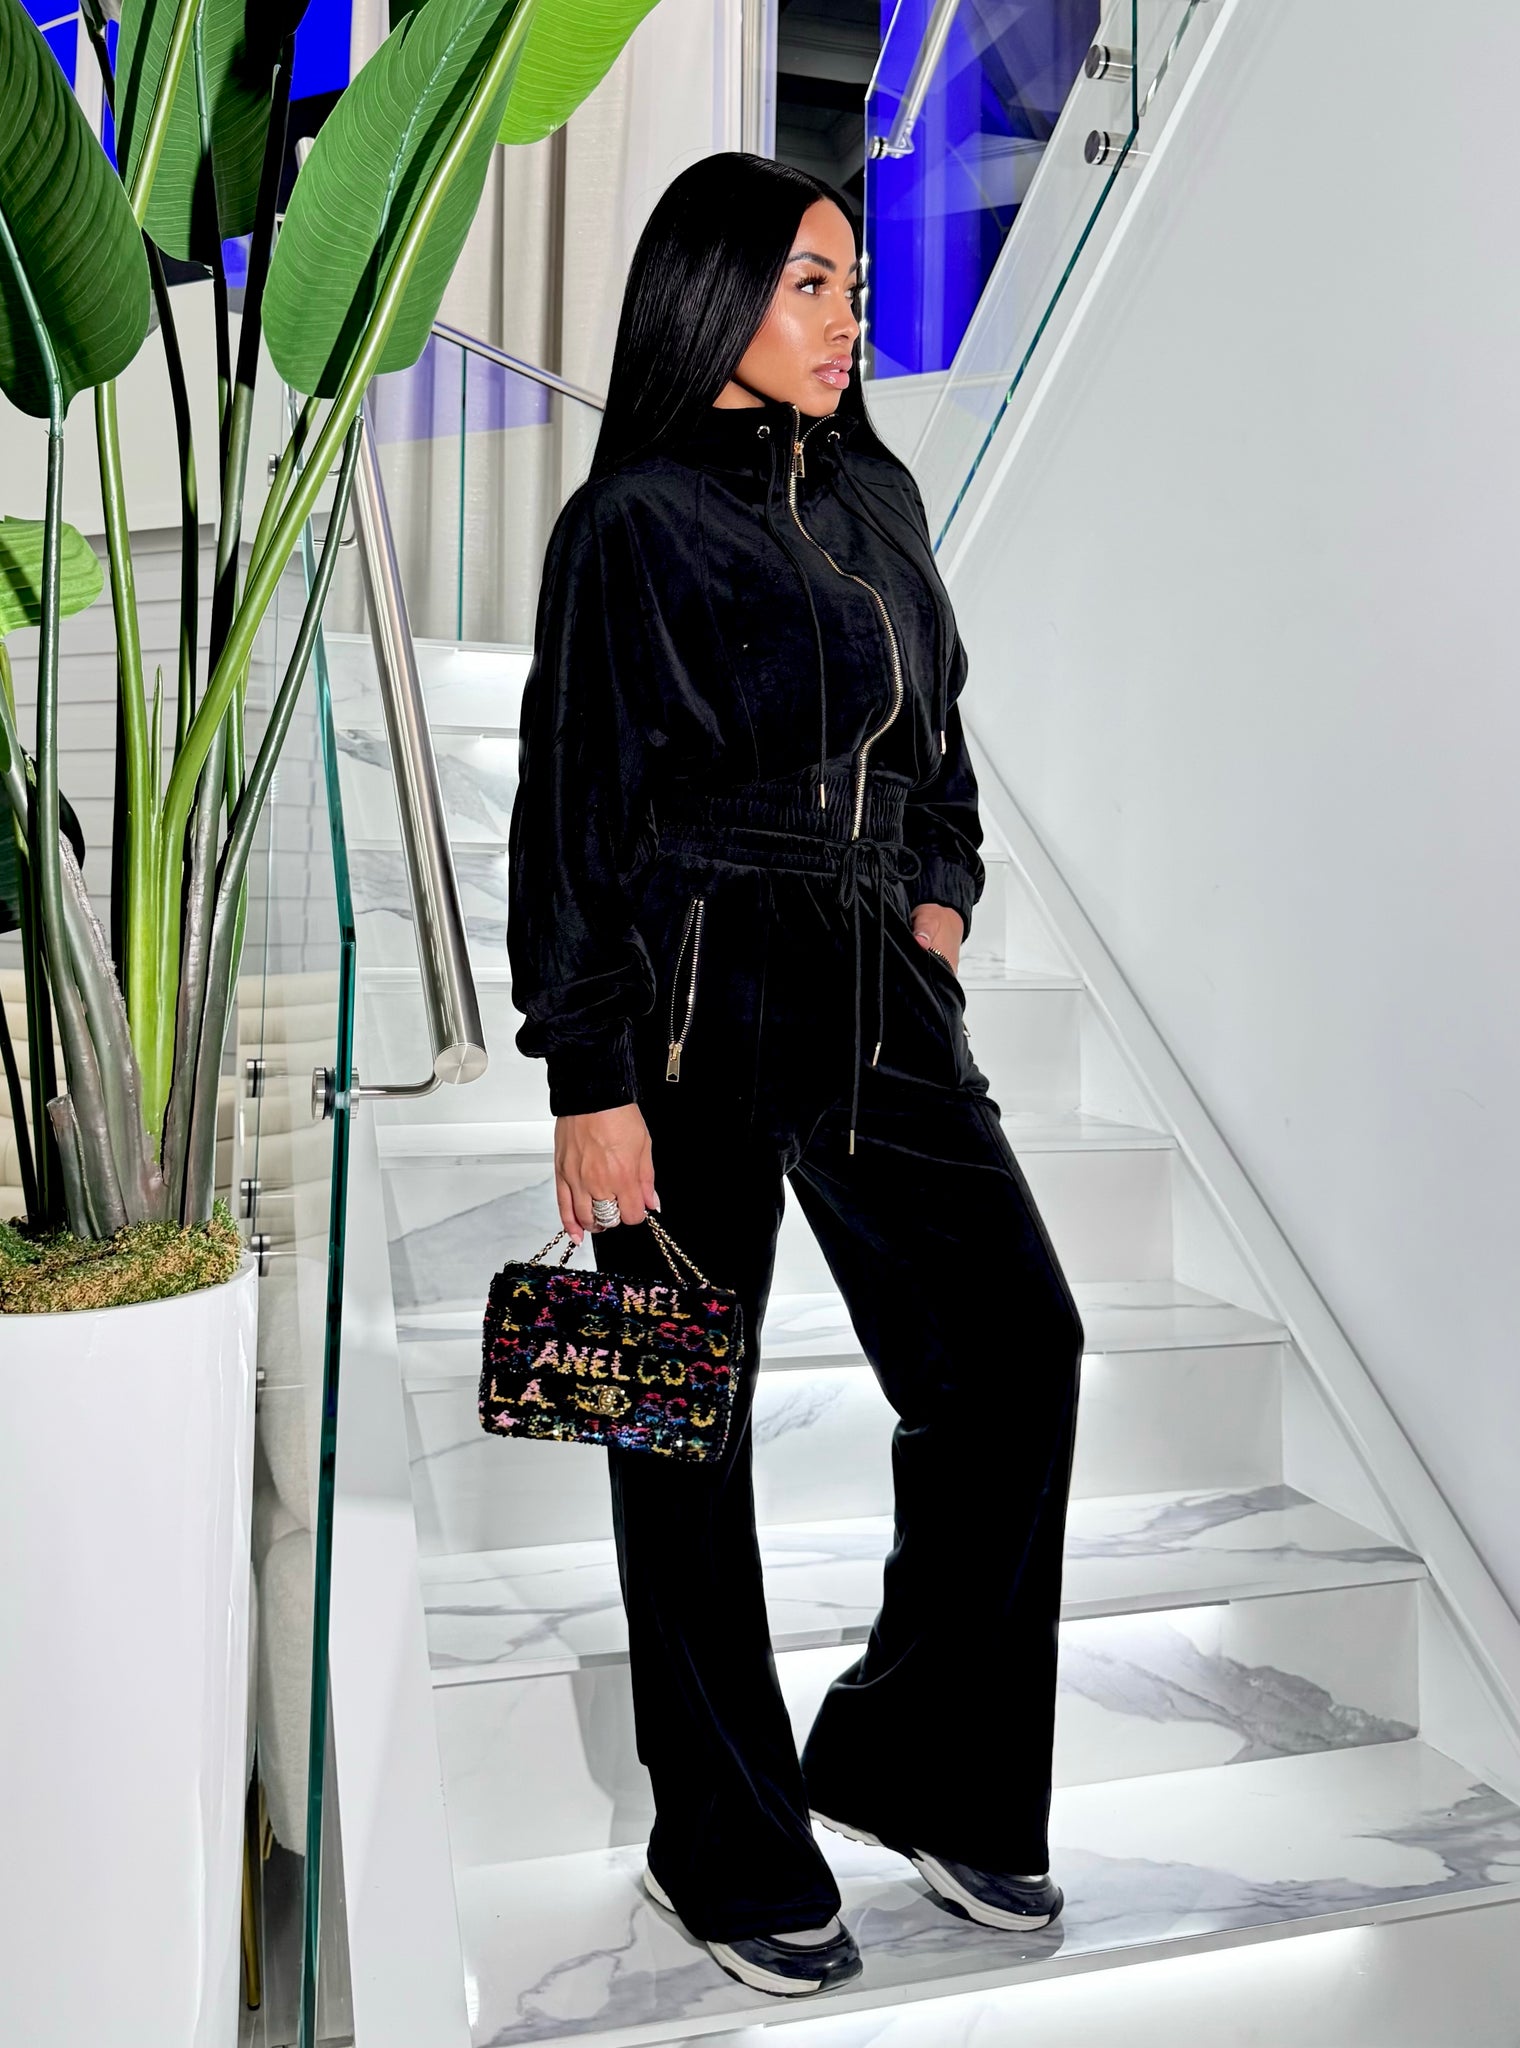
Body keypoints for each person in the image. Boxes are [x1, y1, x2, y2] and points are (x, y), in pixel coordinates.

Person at [506, 151, 1084, 2000]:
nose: (850, 322)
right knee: (677, 1419)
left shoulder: (877, 490)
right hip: (686, 991)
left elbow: (939, 750)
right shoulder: (630, 522)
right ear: (715, 296)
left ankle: (923, 1762)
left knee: (1017, 1348)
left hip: (873, 984)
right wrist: (588, 1075)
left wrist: (936, 906)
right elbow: (572, 808)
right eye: (812, 285)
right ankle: (723, 1840)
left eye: (854, 286)